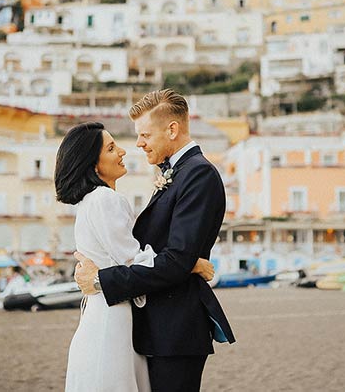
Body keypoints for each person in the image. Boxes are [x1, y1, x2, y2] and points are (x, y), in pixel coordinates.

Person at [74, 89, 235, 392]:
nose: (138, 143)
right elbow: (167, 254)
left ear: (172, 130)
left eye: (145, 134)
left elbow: (175, 260)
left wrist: (100, 281)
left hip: (176, 330)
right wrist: (192, 264)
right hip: (158, 328)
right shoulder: (178, 173)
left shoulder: (198, 174)